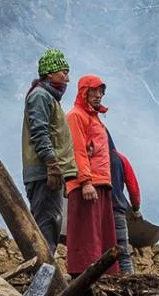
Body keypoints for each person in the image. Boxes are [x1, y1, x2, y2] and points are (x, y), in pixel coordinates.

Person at [64, 74, 118, 276]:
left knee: (101, 233)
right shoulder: (76, 116)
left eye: (101, 91)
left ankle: (105, 275)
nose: (98, 95)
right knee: (87, 234)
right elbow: (78, 150)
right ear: (83, 92)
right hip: (87, 184)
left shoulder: (94, 118)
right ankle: (84, 275)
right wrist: (85, 182)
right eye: (93, 91)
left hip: (101, 182)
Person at [21, 49, 74, 248]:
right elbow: (39, 133)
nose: (67, 78)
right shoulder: (41, 96)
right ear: (50, 73)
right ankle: (43, 275)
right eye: (63, 72)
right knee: (46, 225)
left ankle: (44, 271)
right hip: (44, 172)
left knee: (50, 223)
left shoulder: (49, 98)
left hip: (50, 172)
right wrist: (52, 164)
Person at [109, 139, 141, 274]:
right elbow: (133, 188)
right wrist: (135, 208)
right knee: (123, 254)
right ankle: (129, 283)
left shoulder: (91, 159)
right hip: (117, 211)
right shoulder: (121, 159)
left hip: (95, 212)